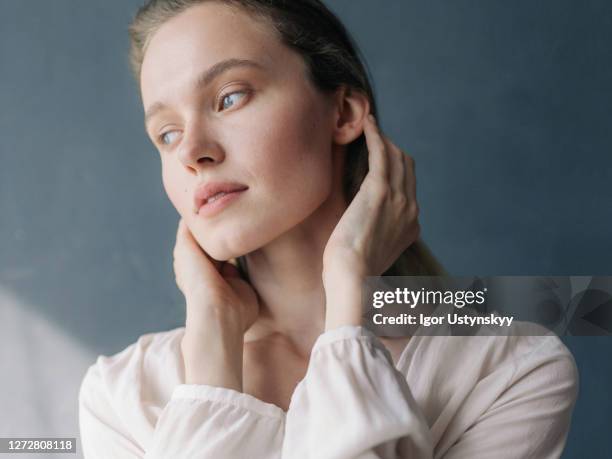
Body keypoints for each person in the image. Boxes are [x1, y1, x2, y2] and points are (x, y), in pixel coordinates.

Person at [78, 1, 578, 458]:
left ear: (342, 113)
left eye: (229, 98)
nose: (191, 152)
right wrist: (211, 346)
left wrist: (348, 304)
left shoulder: (510, 369)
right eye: (167, 134)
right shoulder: (123, 393)